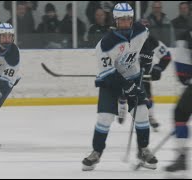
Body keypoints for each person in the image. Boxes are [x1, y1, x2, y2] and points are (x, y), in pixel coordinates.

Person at [82, 3, 158, 171]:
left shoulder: (140, 30)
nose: (126, 22)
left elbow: (149, 41)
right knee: (105, 117)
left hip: (134, 77)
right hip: (110, 82)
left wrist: (147, 54)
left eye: (129, 19)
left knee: (142, 113)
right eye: (122, 20)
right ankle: (96, 152)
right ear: (115, 21)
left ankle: (143, 150)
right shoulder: (105, 44)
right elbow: (109, 74)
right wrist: (128, 86)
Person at [164, 28, 192, 172]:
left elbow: (182, 71)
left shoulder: (185, 34)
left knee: (180, 114)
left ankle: (181, 157)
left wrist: (186, 79)